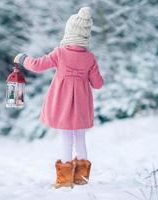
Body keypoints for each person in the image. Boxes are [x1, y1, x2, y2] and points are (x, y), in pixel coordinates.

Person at [14, 6, 103, 188]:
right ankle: (81, 178)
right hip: (81, 107)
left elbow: (37, 65)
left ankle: (64, 181)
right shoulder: (90, 57)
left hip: (62, 105)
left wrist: (23, 58)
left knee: (66, 140)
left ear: (69, 32)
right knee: (80, 139)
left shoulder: (60, 53)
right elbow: (98, 83)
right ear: (86, 35)